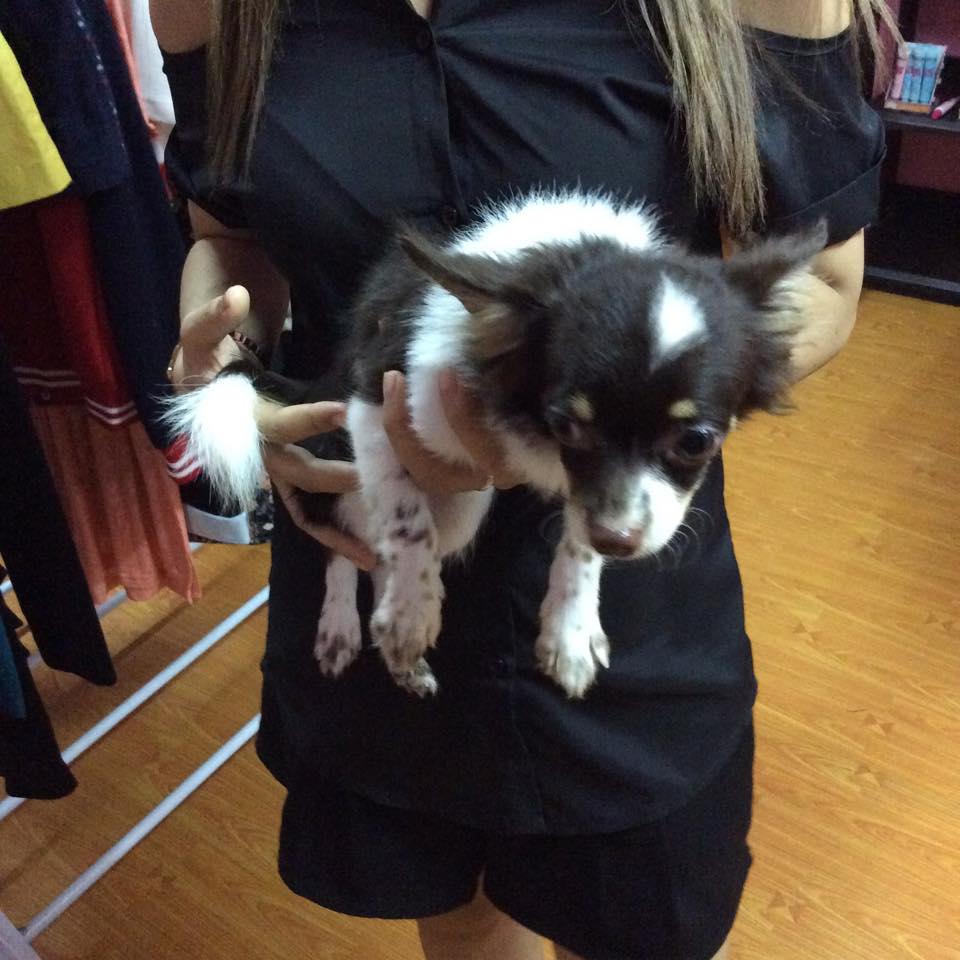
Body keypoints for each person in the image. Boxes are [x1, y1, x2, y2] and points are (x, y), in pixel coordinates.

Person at [152, 1, 890, 957]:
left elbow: (820, 280)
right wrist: (224, 363)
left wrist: (563, 435)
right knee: (457, 920)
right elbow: (231, 235)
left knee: (639, 928)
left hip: (630, 612)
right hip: (379, 557)